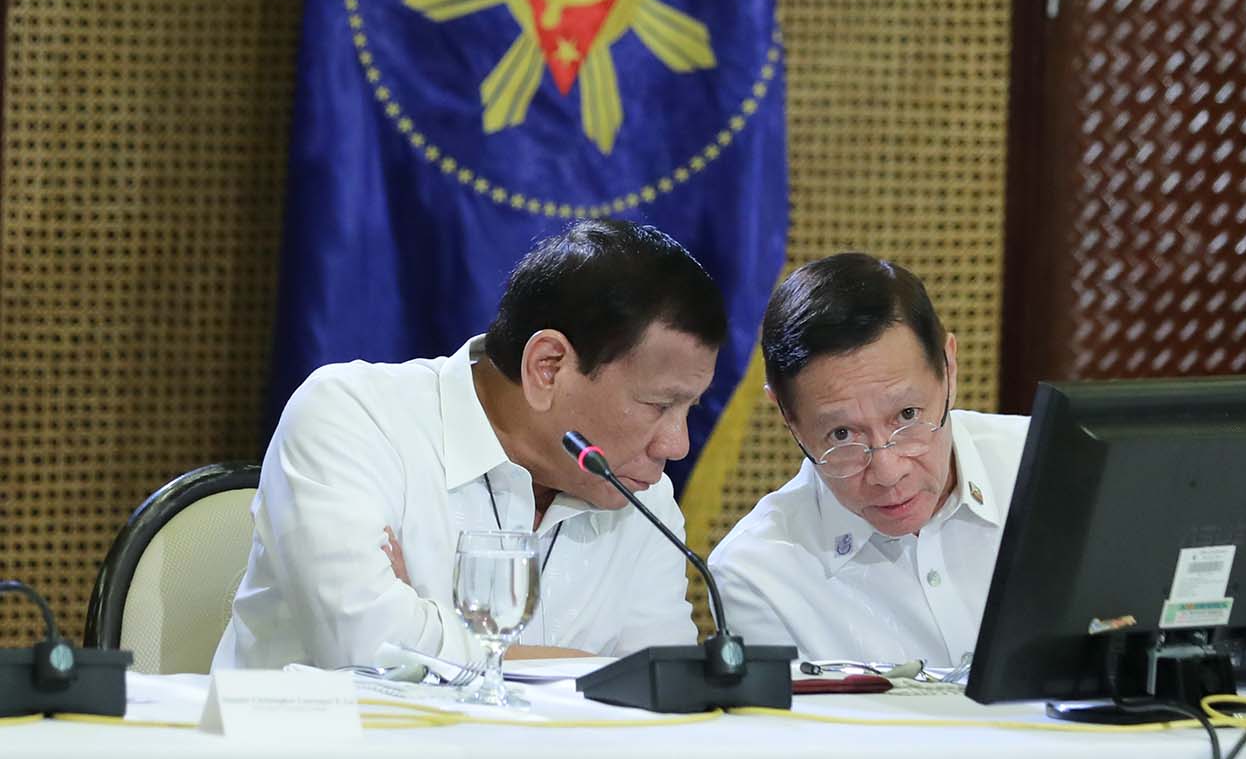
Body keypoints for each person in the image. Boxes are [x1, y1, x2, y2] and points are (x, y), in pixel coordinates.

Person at [213, 219, 725, 670]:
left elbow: (662, 694)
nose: (676, 445)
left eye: (690, 410)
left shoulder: (642, 495)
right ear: (548, 366)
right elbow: (365, 650)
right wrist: (597, 670)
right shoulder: (353, 417)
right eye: (659, 405)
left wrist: (426, 629)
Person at [707, 253, 1028, 667]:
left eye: (908, 416)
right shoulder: (757, 574)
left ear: (949, 368)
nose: (888, 472)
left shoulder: (1055, 466)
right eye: (842, 435)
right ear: (788, 418)